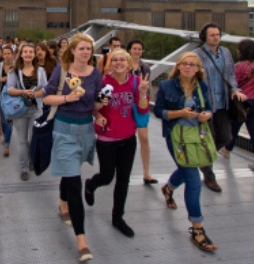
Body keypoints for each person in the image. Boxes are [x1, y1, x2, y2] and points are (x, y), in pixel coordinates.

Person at [43, 33, 103, 263]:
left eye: (89, 49)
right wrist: (68, 98)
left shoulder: (95, 73)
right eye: (82, 49)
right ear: (73, 51)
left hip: (86, 131)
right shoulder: (62, 70)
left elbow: (93, 103)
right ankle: (82, 242)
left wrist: (100, 108)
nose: (86, 52)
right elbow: (48, 98)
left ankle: (62, 204)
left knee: (70, 175)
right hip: (64, 129)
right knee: (75, 183)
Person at [153, 52, 218, 252]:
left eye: (192, 65)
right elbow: (158, 112)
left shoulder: (202, 87)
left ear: (198, 69)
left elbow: (209, 108)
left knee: (186, 169)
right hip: (176, 137)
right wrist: (180, 113)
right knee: (193, 178)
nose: (188, 67)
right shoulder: (166, 86)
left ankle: (168, 188)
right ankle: (198, 229)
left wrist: (207, 114)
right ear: (178, 66)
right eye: (184, 64)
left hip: (196, 136)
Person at [85, 48, 150, 238]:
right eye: (115, 60)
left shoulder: (137, 82)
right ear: (110, 64)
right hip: (107, 139)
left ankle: (117, 217)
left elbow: (143, 110)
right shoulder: (103, 82)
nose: (118, 63)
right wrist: (98, 110)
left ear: (129, 64)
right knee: (107, 176)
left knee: (123, 180)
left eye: (122, 60)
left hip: (128, 138)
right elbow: (92, 109)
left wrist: (144, 94)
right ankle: (91, 184)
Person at [193, 23, 247, 193]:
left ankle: (203, 160)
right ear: (204, 37)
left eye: (218, 35)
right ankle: (210, 177)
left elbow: (230, 74)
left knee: (225, 137)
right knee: (209, 138)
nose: (216, 38)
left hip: (223, 102)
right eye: (212, 35)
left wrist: (235, 90)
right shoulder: (197, 55)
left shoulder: (225, 53)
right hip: (206, 104)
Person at [221, 39, 254, 174]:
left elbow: (231, 83)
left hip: (241, 103)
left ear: (242, 51)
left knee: (233, 129)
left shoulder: (239, 66)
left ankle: (227, 151)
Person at [6, 43, 47, 181]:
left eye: (31, 51)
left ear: (34, 54)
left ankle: (31, 161)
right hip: (20, 110)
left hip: (36, 109)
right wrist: (23, 92)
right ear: (21, 54)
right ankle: (23, 167)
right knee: (22, 141)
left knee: (33, 138)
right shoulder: (14, 71)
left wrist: (35, 94)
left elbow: (45, 89)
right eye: (26, 52)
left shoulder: (40, 71)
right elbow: (10, 89)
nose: (28, 54)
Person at [126, 39, 156, 184]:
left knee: (144, 137)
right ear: (129, 50)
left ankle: (146, 172)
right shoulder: (123, 65)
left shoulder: (146, 68)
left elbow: (147, 86)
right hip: (125, 103)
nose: (137, 51)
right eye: (134, 48)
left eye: (139, 49)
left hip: (140, 102)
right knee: (125, 138)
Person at [0, 46, 15, 157]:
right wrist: (0, 79)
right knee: (3, 120)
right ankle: (6, 136)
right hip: (0, 97)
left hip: (12, 98)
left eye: (9, 53)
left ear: (12, 54)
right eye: (5, 54)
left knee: (9, 120)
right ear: (2, 55)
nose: (6, 56)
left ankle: (6, 145)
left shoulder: (16, 67)